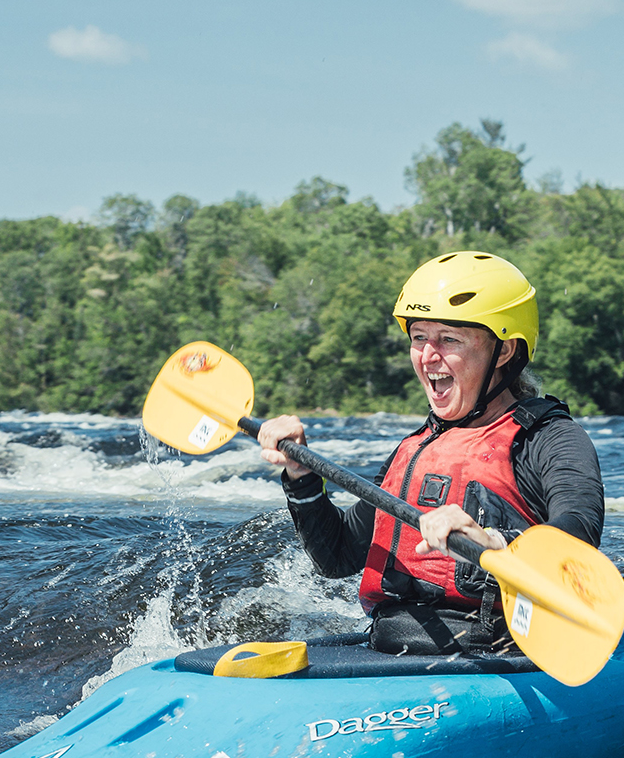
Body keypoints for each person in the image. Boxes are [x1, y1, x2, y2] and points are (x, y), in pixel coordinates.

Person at [257, 251, 604, 656]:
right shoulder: (417, 447)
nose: (427, 356)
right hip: (388, 648)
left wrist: (494, 542)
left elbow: (579, 531)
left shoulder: (550, 438)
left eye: (449, 339)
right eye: (419, 337)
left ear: (504, 351)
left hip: (499, 650)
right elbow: (337, 557)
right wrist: (301, 476)